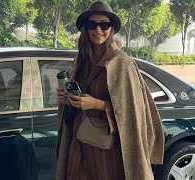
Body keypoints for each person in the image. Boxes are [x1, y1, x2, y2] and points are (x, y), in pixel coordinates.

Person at [55, 1, 164, 180]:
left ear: (111, 28)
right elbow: (77, 99)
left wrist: (96, 104)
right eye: (92, 25)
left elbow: (133, 112)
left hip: (107, 147)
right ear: (85, 28)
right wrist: (67, 98)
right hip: (78, 140)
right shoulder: (80, 60)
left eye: (104, 24)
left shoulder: (123, 64)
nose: (98, 30)